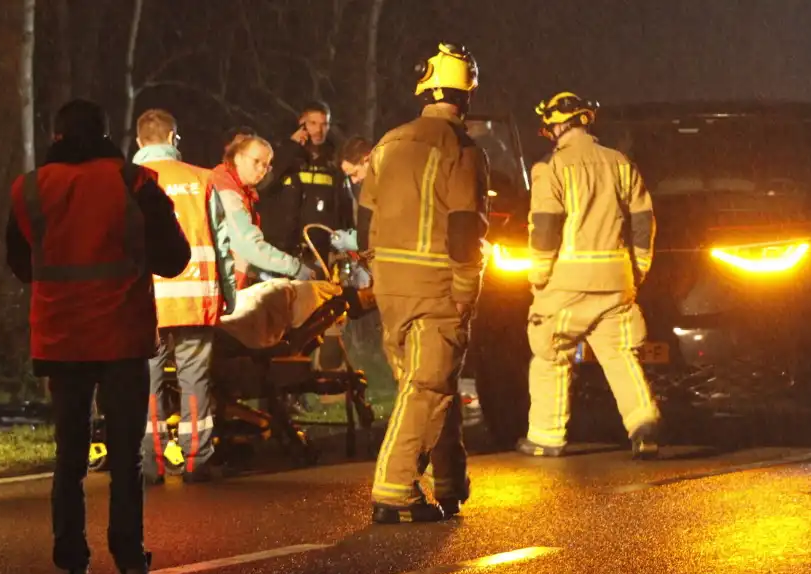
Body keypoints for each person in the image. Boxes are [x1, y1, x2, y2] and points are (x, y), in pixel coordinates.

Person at [5, 99, 190, 574]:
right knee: (126, 462)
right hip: (121, 338)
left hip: (61, 341)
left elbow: (19, 262)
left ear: (58, 136)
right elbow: (174, 259)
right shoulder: (134, 184)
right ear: (107, 134)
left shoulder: (30, 188)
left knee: (69, 459)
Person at [360, 43, 489, 524]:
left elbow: (366, 213)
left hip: (390, 285)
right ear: (467, 94)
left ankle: (450, 480)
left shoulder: (389, 142)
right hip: (435, 285)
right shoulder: (463, 150)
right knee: (428, 387)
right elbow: (462, 230)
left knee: (432, 386)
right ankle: (394, 490)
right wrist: (465, 289)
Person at [519, 92, 660, 460]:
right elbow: (644, 219)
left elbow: (546, 226)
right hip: (617, 280)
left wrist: (538, 274)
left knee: (551, 354)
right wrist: (639, 266)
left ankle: (546, 436)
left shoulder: (550, 167)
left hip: (568, 282)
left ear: (556, 126)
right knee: (619, 354)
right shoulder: (619, 163)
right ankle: (642, 421)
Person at [132, 109, 235, 484]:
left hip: (146, 303)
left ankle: (151, 463)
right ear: (174, 138)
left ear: (139, 141)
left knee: (146, 382)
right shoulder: (202, 179)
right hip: (195, 298)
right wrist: (229, 294)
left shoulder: (128, 181)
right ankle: (196, 461)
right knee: (195, 380)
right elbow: (223, 244)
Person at [212, 134, 314, 290]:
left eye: (266, 165)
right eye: (256, 162)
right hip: (215, 286)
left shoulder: (238, 189)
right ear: (238, 158)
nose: (262, 170)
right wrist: (296, 268)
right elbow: (249, 246)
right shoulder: (227, 193)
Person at [258, 101, 354, 263]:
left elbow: (346, 208)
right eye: (313, 123)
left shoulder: (333, 162)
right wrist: (291, 147)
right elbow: (265, 185)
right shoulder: (283, 155)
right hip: (283, 251)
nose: (319, 130)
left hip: (320, 253)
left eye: (324, 124)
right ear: (301, 124)